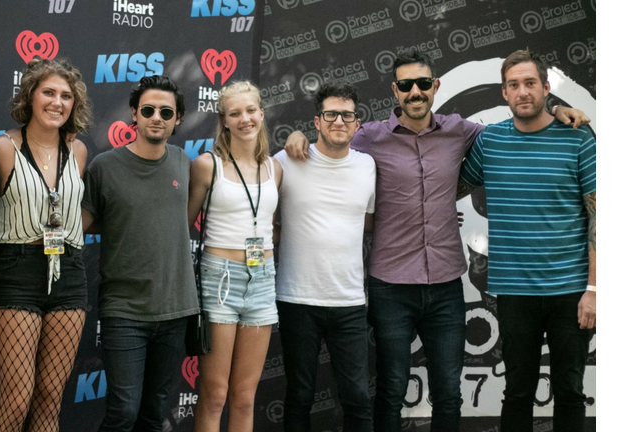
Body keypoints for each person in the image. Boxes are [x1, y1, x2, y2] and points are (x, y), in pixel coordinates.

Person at [284, 50, 590, 432]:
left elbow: (516, 125)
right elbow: (331, 140)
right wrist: (300, 136)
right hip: (390, 286)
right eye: (407, 85)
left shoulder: (461, 130)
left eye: (423, 83)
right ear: (396, 90)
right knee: (392, 390)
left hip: (446, 285)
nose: (416, 91)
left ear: (435, 87)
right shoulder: (369, 137)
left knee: (449, 393)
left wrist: (560, 113)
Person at [459, 49, 596, 432]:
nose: (522, 92)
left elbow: (598, 217)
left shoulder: (577, 138)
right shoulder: (490, 143)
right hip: (515, 292)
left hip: (570, 291)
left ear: (546, 88)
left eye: (530, 83)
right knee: (517, 392)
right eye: (514, 85)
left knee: (570, 391)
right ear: (503, 93)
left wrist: (595, 289)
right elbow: (446, 182)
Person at [82, 76, 199, 432]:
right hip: (124, 311)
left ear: (177, 119)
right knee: (123, 413)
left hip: (175, 310)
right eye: (148, 110)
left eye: (166, 111)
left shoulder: (183, 161)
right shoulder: (104, 166)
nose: (156, 117)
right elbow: (82, 225)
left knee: (154, 414)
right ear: (134, 113)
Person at [0, 57, 92, 432]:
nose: (57, 102)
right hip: (15, 271)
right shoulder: (2, 148)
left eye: (66, 95)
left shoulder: (78, 152)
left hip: (70, 272)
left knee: (49, 397)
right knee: (16, 399)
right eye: (48, 92)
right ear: (30, 96)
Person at [273, 83, 375, 431]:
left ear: (357, 124)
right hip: (296, 299)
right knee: (300, 395)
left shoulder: (368, 167)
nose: (339, 121)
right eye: (330, 114)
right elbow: (261, 216)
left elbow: (372, 220)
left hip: (348, 301)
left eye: (347, 115)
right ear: (317, 121)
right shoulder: (285, 160)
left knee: (358, 398)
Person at [187, 81, 283, 432]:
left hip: (263, 280)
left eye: (250, 111)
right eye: (235, 113)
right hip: (220, 280)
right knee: (214, 394)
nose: (245, 119)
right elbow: (184, 225)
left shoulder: (277, 168)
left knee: (244, 397)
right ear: (223, 120)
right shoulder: (207, 165)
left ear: (261, 113)